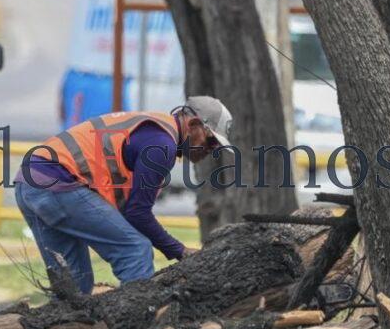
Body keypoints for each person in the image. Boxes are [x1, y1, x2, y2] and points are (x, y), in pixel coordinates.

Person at [14, 97, 233, 294]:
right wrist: (180, 250)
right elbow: (137, 214)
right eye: (211, 141)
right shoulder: (161, 145)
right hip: (55, 182)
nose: (211, 150)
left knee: (74, 290)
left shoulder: (155, 131)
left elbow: (130, 212)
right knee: (135, 250)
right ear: (193, 125)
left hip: (29, 184)